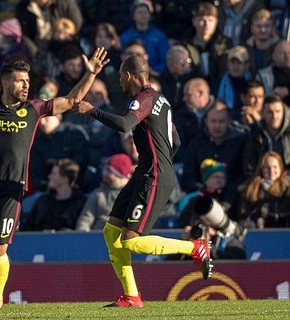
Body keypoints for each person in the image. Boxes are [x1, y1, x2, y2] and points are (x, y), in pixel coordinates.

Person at [0, 26, 109, 309]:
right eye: (20, 81)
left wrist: (90, 73)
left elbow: (70, 101)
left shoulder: (34, 109)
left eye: (27, 80)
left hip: (11, 189)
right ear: (6, 83)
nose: (26, 85)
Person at [73, 53, 213, 308]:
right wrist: (157, 159)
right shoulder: (161, 100)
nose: (120, 83)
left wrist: (91, 110)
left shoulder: (143, 99)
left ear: (128, 75)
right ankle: (132, 296)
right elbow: (176, 141)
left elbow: (126, 124)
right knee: (111, 231)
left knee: (131, 240)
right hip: (149, 172)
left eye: (120, 78)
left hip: (153, 175)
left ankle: (195, 248)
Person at [21, 158, 87, 231]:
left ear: (64, 179)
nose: (49, 177)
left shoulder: (80, 202)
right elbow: (28, 227)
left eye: (53, 174)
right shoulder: (43, 201)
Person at [76, 153, 132, 232]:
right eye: (105, 169)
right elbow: (85, 220)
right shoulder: (98, 194)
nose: (105, 173)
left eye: (109, 171)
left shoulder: (133, 195)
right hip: (97, 237)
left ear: (118, 174)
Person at [238, 151, 290, 228]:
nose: (271, 170)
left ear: (281, 168)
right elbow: (243, 213)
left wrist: (267, 209)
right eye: (267, 167)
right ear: (261, 169)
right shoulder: (251, 188)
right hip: (258, 233)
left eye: (275, 167)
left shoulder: (287, 188)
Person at [242, 94, 290, 177]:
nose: (274, 116)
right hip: (262, 182)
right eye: (269, 112)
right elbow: (249, 165)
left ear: (283, 113)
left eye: (278, 111)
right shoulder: (256, 136)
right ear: (263, 114)